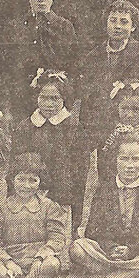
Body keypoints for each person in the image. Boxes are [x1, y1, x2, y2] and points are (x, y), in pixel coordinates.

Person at [71, 137, 139, 278]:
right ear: (115, 160)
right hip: (107, 255)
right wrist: (111, 248)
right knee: (77, 248)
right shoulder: (104, 189)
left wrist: (131, 250)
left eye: (135, 159)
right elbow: (92, 230)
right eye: (124, 159)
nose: (130, 166)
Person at [76, 0, 139, 153]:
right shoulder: (93, 56)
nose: (117, 26)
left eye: (124, 22)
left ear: (133, 27)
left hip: (135, 128)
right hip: (102, 128)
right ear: (106, 23)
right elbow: (87, 99)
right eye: (113, 20)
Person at [0, 152, 68, 278]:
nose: (26, 186)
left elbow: (57, 238)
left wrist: (40, 257)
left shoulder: (48, 206)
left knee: (52, 265)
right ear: (12, 180)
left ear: (41, 182)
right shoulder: (1, 207)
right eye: (21, 179)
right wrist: (8, 262)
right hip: (11, 262)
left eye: (32, 180)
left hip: (39, 263)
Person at [2, 0, 79, 121]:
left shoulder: (64, 27)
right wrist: (6, 107)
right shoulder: (15, 27)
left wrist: (67, 101)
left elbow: (73, 67)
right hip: (22, 101)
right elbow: (6, 69)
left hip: (55, 101)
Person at [27, 73, 81, 219]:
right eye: (43, 98)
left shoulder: (73, 128)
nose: (49, 104)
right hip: (30, 192)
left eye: (55, 98)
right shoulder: (26, 126)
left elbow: (78, 171)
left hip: (62, 196)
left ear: (64, 99)